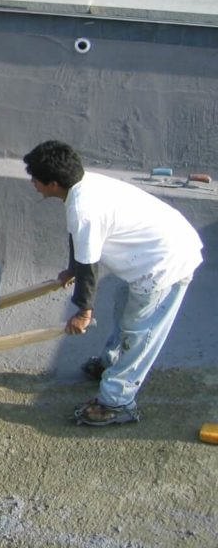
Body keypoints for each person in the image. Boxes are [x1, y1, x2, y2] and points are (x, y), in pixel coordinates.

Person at [23, 140, 202, 426]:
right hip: (157, 248)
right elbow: (79, 246)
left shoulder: (84, 208)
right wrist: (71, 269)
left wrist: (83, 311)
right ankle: (111, 362)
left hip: (165, 264)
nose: (33, 183)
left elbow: (89, 266)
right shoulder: (82, 184)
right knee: (123, 309)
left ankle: (118, 402)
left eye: (35, 179)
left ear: (54, 183)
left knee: (138, 334)